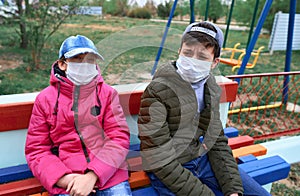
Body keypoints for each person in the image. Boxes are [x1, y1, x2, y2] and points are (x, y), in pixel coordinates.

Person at [138, 21, 271, 196]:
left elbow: (216, 139)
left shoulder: (211, 88)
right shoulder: (158, 90)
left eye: (202, 57)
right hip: (168, 167)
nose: (192, 61)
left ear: (214, 62)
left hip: (200, 158)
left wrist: (233, 190)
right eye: (187, 53)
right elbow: (158, 155)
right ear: (179, 52)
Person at [25, 35, 132, 196]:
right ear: (62, 64)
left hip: (109, 174)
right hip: (68, 177)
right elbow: (37, 150)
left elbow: (118, 139)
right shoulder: (45, 99)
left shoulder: (108, 94)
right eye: (77, 59)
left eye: (90, 60)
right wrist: (65, 179)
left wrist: (93, 176)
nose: (85, 65)